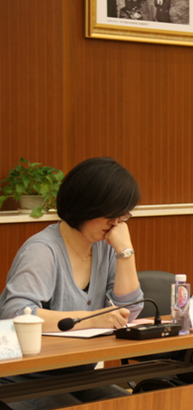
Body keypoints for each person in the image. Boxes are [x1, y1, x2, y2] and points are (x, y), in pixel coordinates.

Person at [0, 157, 143, 409]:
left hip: (77, 375)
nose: (117, 223)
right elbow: (15, 314)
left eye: (124, 214)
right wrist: (91, 319)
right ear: (85, 205)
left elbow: (129, 312)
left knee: (131, 405)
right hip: (22, 379)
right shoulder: (43, 250)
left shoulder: (105, 247)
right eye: (112, 214)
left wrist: (126, 252)